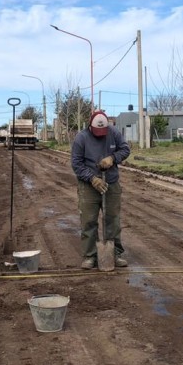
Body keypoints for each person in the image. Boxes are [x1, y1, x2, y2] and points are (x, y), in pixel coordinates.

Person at [71, 110, 131, 269]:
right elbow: (76, 164)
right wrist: (92, 178)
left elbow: (125, 149)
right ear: (90, 126)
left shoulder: (113, 133)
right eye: (97, 132)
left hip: (111, 183)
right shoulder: (81, 138)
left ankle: (115, 254)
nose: (100, 135)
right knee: (89, 221)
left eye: (102, 132)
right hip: (88, 186)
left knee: (112, 220)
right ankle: (90, 256)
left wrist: (112, 158)